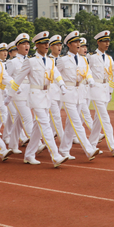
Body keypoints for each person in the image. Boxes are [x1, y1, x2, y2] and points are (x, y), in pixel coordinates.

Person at [9, 31, 69, 167]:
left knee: (38, 126)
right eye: (43, 43)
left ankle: (29, 154)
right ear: (37, 45)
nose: (47, 45)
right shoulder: (30, 61)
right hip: (35, 95)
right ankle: (55, 155)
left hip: (47, 95)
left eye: (47, 43)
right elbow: (17, 80)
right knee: (45, 124)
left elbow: (56, 74)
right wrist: (9, 96)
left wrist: (62, 85)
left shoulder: (50, 61)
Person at [56, 31, 100, 160]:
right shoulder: (63, 60)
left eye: (78, 42)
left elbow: (88, 71)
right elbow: (54, 74)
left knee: (71, 123)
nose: (78, 44)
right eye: (75, 42)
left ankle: (64, 149)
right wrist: (60, 87)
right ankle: (88, 149)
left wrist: (90, 79)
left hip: (80, 92)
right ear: (69, 44)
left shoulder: (83, 59)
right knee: (76, 121)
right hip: (68, 92)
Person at [87, 30, 114, 156]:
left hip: (105, 90)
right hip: (96, 89)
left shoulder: (109, 58)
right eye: (104, 41)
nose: (107, 43)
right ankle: (112, 145)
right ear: (98, 42)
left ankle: (91, 144)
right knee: (105, 118)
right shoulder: (92, 57)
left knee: (98, 120)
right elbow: (86, 71)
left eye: (108, 41)